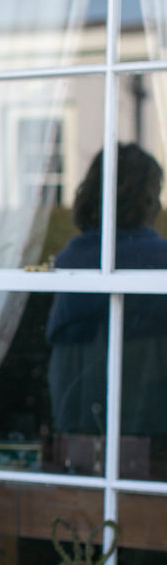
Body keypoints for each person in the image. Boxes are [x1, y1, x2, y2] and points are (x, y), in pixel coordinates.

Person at [46, 142, 167, 446]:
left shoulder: (70, 256)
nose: (159, 205)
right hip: (147, 422)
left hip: (74, 414)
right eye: (156, 192)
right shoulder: (160, 258)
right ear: (144, 197)